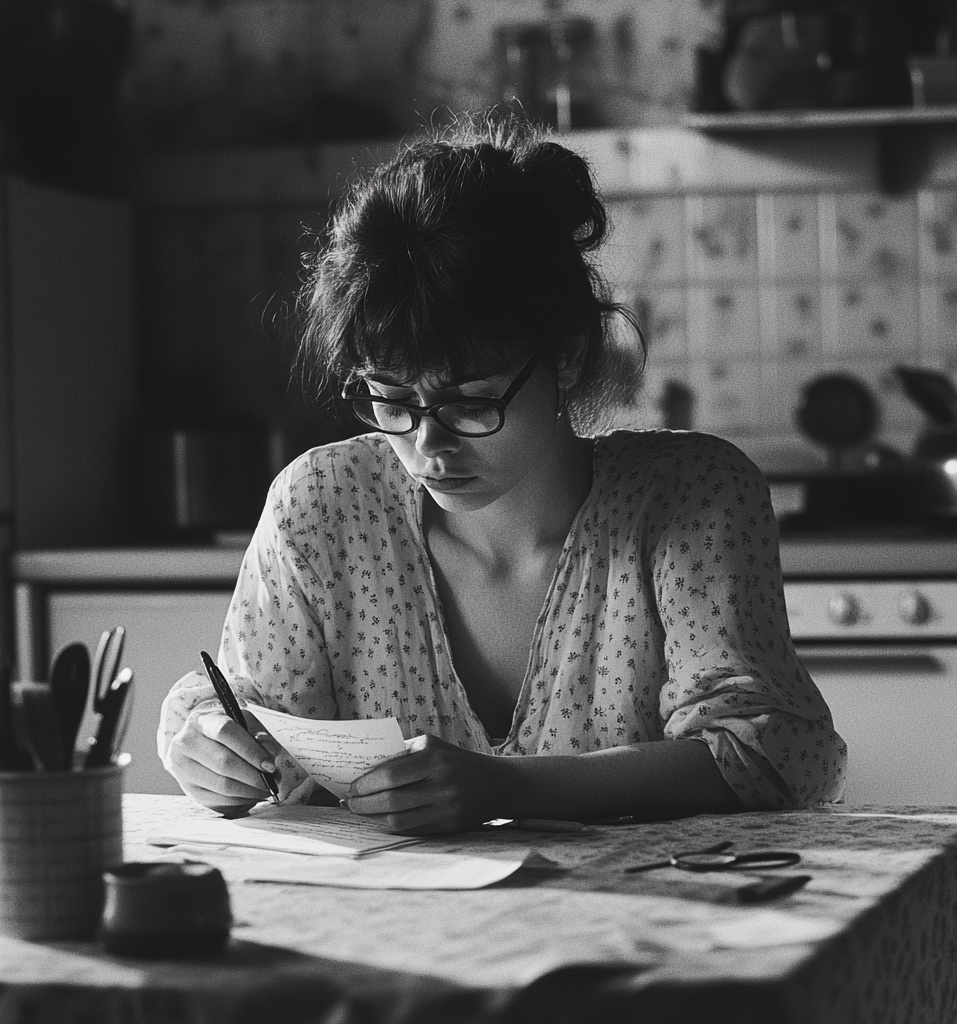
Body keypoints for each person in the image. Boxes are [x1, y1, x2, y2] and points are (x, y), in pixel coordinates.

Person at [157, 111, 847, 833]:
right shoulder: (322, 505)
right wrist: (208, 749)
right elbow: (245, 709)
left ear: (569, 356)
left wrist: (512, 788)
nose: (428, 445)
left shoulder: (692, 497)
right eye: (390, 398)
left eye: (472, 401)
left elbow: (770, 751)